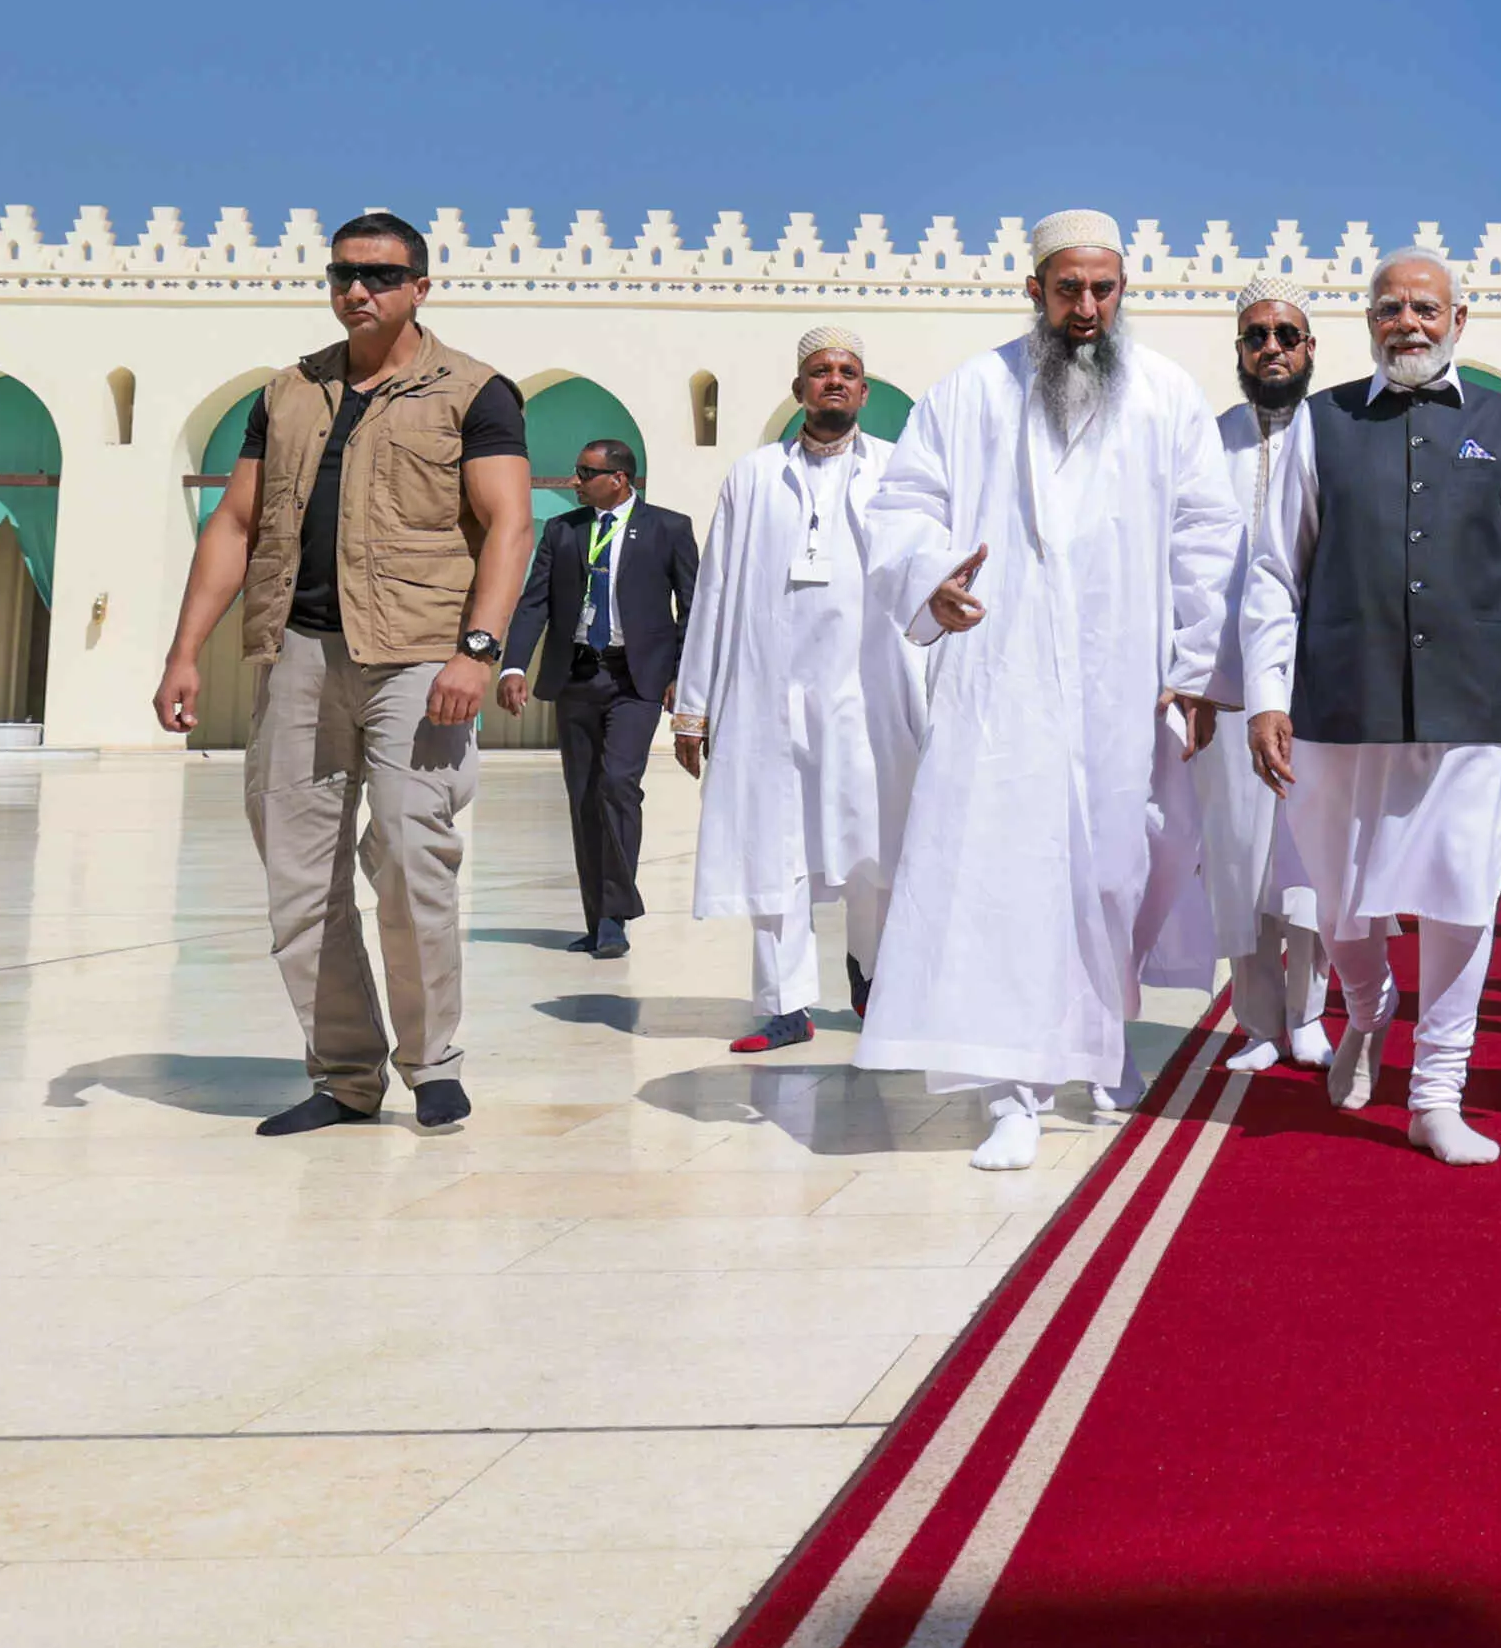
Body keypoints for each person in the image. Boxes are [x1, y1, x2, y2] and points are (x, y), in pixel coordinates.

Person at [857, 211, 1241, 1172]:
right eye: (1067, 289)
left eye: (1103, 289)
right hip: (1006, 674)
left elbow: (1206, 533)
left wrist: (1199, 668)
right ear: (1035, 290)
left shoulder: (1164, 395)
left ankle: (1103, 1036)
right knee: (1008, 873)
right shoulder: (971, 392)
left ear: (1123, 291)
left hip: (1126, 680)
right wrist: (929, 579)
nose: (1086, 308)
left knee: (1121, 869)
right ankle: (1014, 1090)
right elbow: (904, 503)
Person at [157, 212, 539, 1136]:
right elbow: (236, 526)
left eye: (378, 274)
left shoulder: (476, 391)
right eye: (341, 274)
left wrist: (477, 651)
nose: (356, 289)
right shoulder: (287, 393)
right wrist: (184, 650)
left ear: (420, 285)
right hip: (299, 653)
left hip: (420, 657)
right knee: (298, 878)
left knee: (412, 858)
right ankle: (345, 1076)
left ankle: (432, 1061)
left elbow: (510, 524)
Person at [1239, 256, 1501, 1166]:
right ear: (1369, 321)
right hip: (1340, 700)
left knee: (1464, 891)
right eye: (1390, 308)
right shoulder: (1324, 421)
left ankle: (1435, 1093)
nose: (1408, 323)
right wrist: (1266, 693)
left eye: (1425, 307)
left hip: (1473, 707)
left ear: (1458, 316)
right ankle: (1366, 1001)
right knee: (1342, 890)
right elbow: (1276, 568)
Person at [666, 328, 915, 1051]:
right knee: (774, 844)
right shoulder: (751, 476)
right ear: (798, 388)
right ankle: (785, 1005)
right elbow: (714, 590)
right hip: (771, 696)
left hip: (867, 693)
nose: (833, 380)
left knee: (875, 839)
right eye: (819, 371)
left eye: (847, 371)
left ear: (864, 391)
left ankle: (873, 979)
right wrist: (695, 706)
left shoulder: (897, 472)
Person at [497, 436, 699, 965]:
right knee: (584, 795)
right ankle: (598, 920)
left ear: (620, 478)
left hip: (636, 680)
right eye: (577, 471)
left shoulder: (668, 529)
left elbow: (693, 607)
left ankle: (616, 913)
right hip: (578, 676)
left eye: (586, 473)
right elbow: (534, 600)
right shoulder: (563, 532)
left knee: (617, 783)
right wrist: (514, 664)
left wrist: (681, 673)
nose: (575, 481)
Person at [1197, 288, 1332, 1073]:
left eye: (1286, 334)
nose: (1271, 347)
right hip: (1229, 678)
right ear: (1241, 350)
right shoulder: (1208, 443)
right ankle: (1254, 1021)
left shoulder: (1336, 435)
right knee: (1239, 854)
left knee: (1309, 854)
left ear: (1310, 347)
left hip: (1314, 680)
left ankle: (1309, 1012)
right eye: (1256, 336)